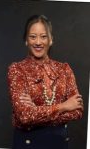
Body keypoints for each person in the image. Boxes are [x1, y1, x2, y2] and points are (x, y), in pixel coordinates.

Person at [7, 15, 84, 149]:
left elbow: (77, 111)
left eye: (43, 36)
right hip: (28, 143)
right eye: (32, 36)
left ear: (51, 40)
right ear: (26, 40)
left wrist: (35, 111)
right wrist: (63, 106)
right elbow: (24, 116)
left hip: (59, 143)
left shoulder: (64, 69)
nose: (38, 42)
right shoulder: (17, 69)